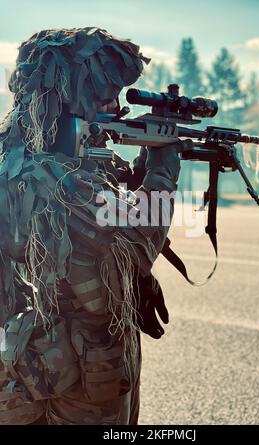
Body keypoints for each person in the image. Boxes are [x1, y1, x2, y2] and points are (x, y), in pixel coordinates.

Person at [0, 27, 182, 425]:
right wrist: (164, 165)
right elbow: (138, 245)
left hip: (18, 368)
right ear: (70, 95)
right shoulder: (63, 178)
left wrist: (140, 166)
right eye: (104, 95)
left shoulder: (12, 159)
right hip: (82, 376)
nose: (116, 106)